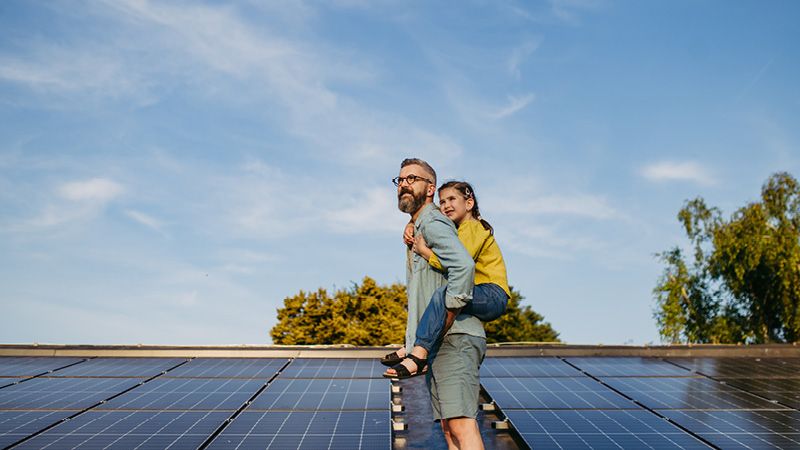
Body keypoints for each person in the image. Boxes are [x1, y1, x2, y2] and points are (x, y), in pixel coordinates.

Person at [390, 158, 486, 450]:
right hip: (439, 340)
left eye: (413, 179)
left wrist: (451, 307)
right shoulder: (419, 226)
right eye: (401, 180)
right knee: (449, 428)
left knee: (461, 425)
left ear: (430, 188)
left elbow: (464, 267)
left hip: (455, 336)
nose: (404, 185)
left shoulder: (433, 222)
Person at [383, 180, 510, 380]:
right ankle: (411, 345)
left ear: (469, 204)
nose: (446, 206)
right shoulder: (457, 229)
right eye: (442, 202)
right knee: (436, 300)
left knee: (443, 294)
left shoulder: (472, 227)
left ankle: (419, 353)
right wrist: (411, 223)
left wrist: (426, 253)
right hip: (479, 291)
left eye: (452, 199)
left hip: (493, 294)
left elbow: (460, 262)